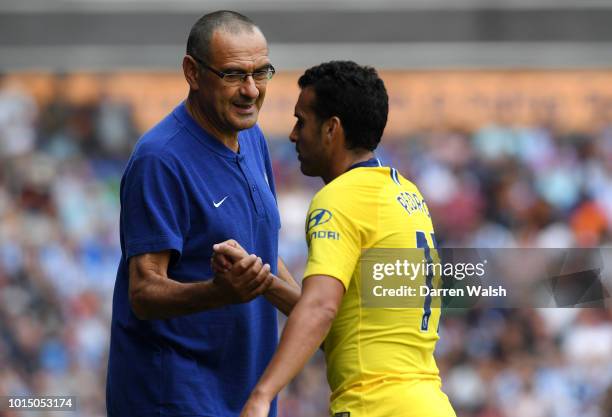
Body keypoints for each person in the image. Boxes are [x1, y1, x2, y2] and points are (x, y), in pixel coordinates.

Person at [216, 61, 456, 417]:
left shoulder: (340, 197)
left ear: (332, 129)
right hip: (427, 403)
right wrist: (264, 279)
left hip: (375, 405)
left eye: (302, 121)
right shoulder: (404, 193)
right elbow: (341, 325)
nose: (294, 134)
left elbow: (320, 309)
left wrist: (262, 395)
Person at [106, 11, 299, 417]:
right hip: (175, 396)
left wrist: (312, 313)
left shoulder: (253, 138)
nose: (251, 90)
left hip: (246, 393)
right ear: (192, 73)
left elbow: (260, 253)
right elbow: (143, 293)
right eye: (232, 75)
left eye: (261, 73)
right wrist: (218, 292)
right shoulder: (160, 159)